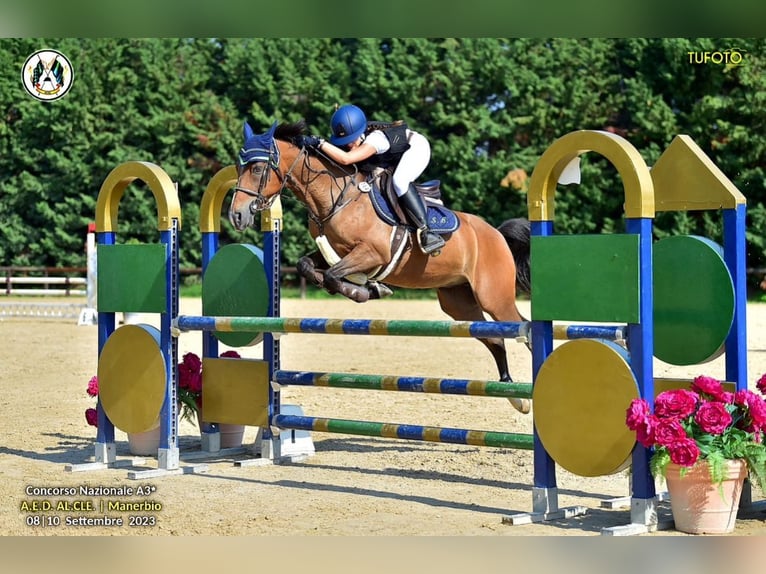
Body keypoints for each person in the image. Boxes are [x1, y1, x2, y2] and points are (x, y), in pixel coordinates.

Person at [301, 104, 445, 256]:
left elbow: (346, 159)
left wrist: (320, 143)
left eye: (351, 140)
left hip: (416, 148)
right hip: (393, 155)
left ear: (360, 132)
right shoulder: (358, 137)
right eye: (344, 142)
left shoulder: (376, 140)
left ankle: (426, 231)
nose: (348, 145)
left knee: (399, 181)